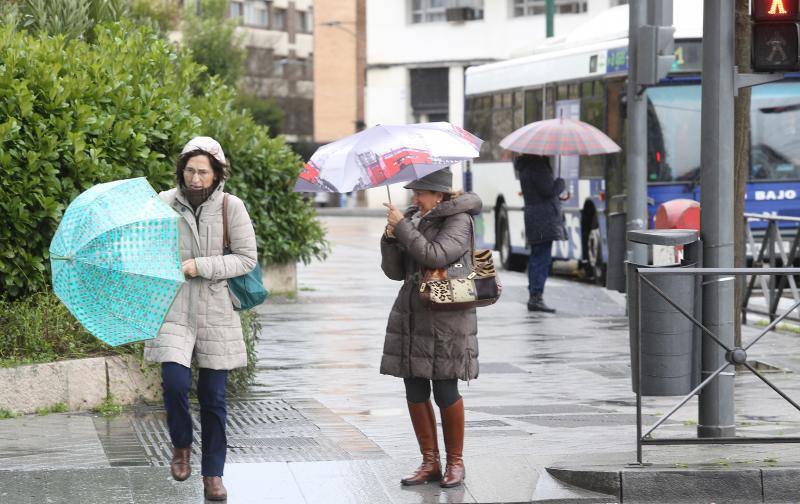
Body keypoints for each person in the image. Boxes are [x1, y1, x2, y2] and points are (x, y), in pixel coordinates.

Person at [144, 136, 257, 501]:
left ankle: (213, 474)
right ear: (181, 170)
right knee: (174, 382)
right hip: (173, 308)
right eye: (190, 170)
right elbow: (150, 252)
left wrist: (201, 266)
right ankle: (180, 447)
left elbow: (246, 259)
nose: (195, 178)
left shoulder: (231, 207)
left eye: (202, 172)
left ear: (216, 174)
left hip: (215, 310)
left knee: (214, 398)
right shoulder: (163, 204)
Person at [381, 167, 482, 488]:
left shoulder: (459, 220)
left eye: (420, 192)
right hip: (412, 313)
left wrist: (404, 230)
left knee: (445, 387)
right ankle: (429, 462)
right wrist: (389, 239)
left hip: (446, 316)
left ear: (438, 194)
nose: (414, 197)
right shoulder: (411, 218)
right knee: (414, 387)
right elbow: (395, 271)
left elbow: (436, 256)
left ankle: (455, 463)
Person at [515, 154, 566, 313]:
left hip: (535, 216)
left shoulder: (527, 165)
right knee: (542, 258)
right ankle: (536, 297)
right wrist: (560, 183)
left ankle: (534, 295)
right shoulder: (537, 166)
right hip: (542, 219)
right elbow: (547, 190)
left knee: (537, 256)